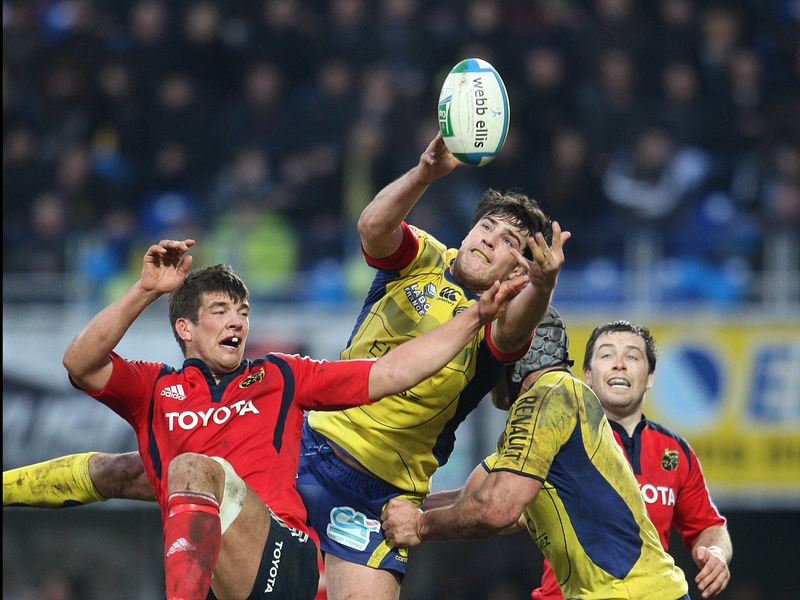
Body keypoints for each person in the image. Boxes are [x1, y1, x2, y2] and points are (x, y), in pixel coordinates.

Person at [7, 237, 525, 600]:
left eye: (243, 311)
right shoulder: (153, 389)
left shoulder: (279, 376)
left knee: (191, 468)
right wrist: (144, 291)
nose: (237, 320)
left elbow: (389, 372)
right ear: (184, 327)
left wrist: (474, 317)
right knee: (125, 471)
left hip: (284, 558)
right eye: (220, 310)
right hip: (217, 572)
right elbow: (79, 363)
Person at [295, 131, 569, 600]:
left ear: (519, 271)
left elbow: (516, 331)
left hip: (378, 493)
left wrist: (542, 288)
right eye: (487, 227)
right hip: (307, 446)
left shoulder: (500, 316)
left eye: (509, 242)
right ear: (469, 230)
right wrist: (424, 174)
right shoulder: (422, 257)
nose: (489, 240)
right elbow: (372, 229)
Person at [381, 307, 692, 600]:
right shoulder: (548, 406)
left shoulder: (548, 396)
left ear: (521, 354)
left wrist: (420, 526)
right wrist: (392, 506)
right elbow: (473, 495)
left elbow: (496, 509)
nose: (486, 373)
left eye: (493, 353)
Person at [532, 320, 731, 599]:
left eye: (632, 356)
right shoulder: (555, 440)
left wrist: (716, 552)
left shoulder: (674, 451)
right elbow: (506, 506)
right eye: (607, 355)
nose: (619, 364)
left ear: (650, 377)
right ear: (588, 374)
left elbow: (709, 526)